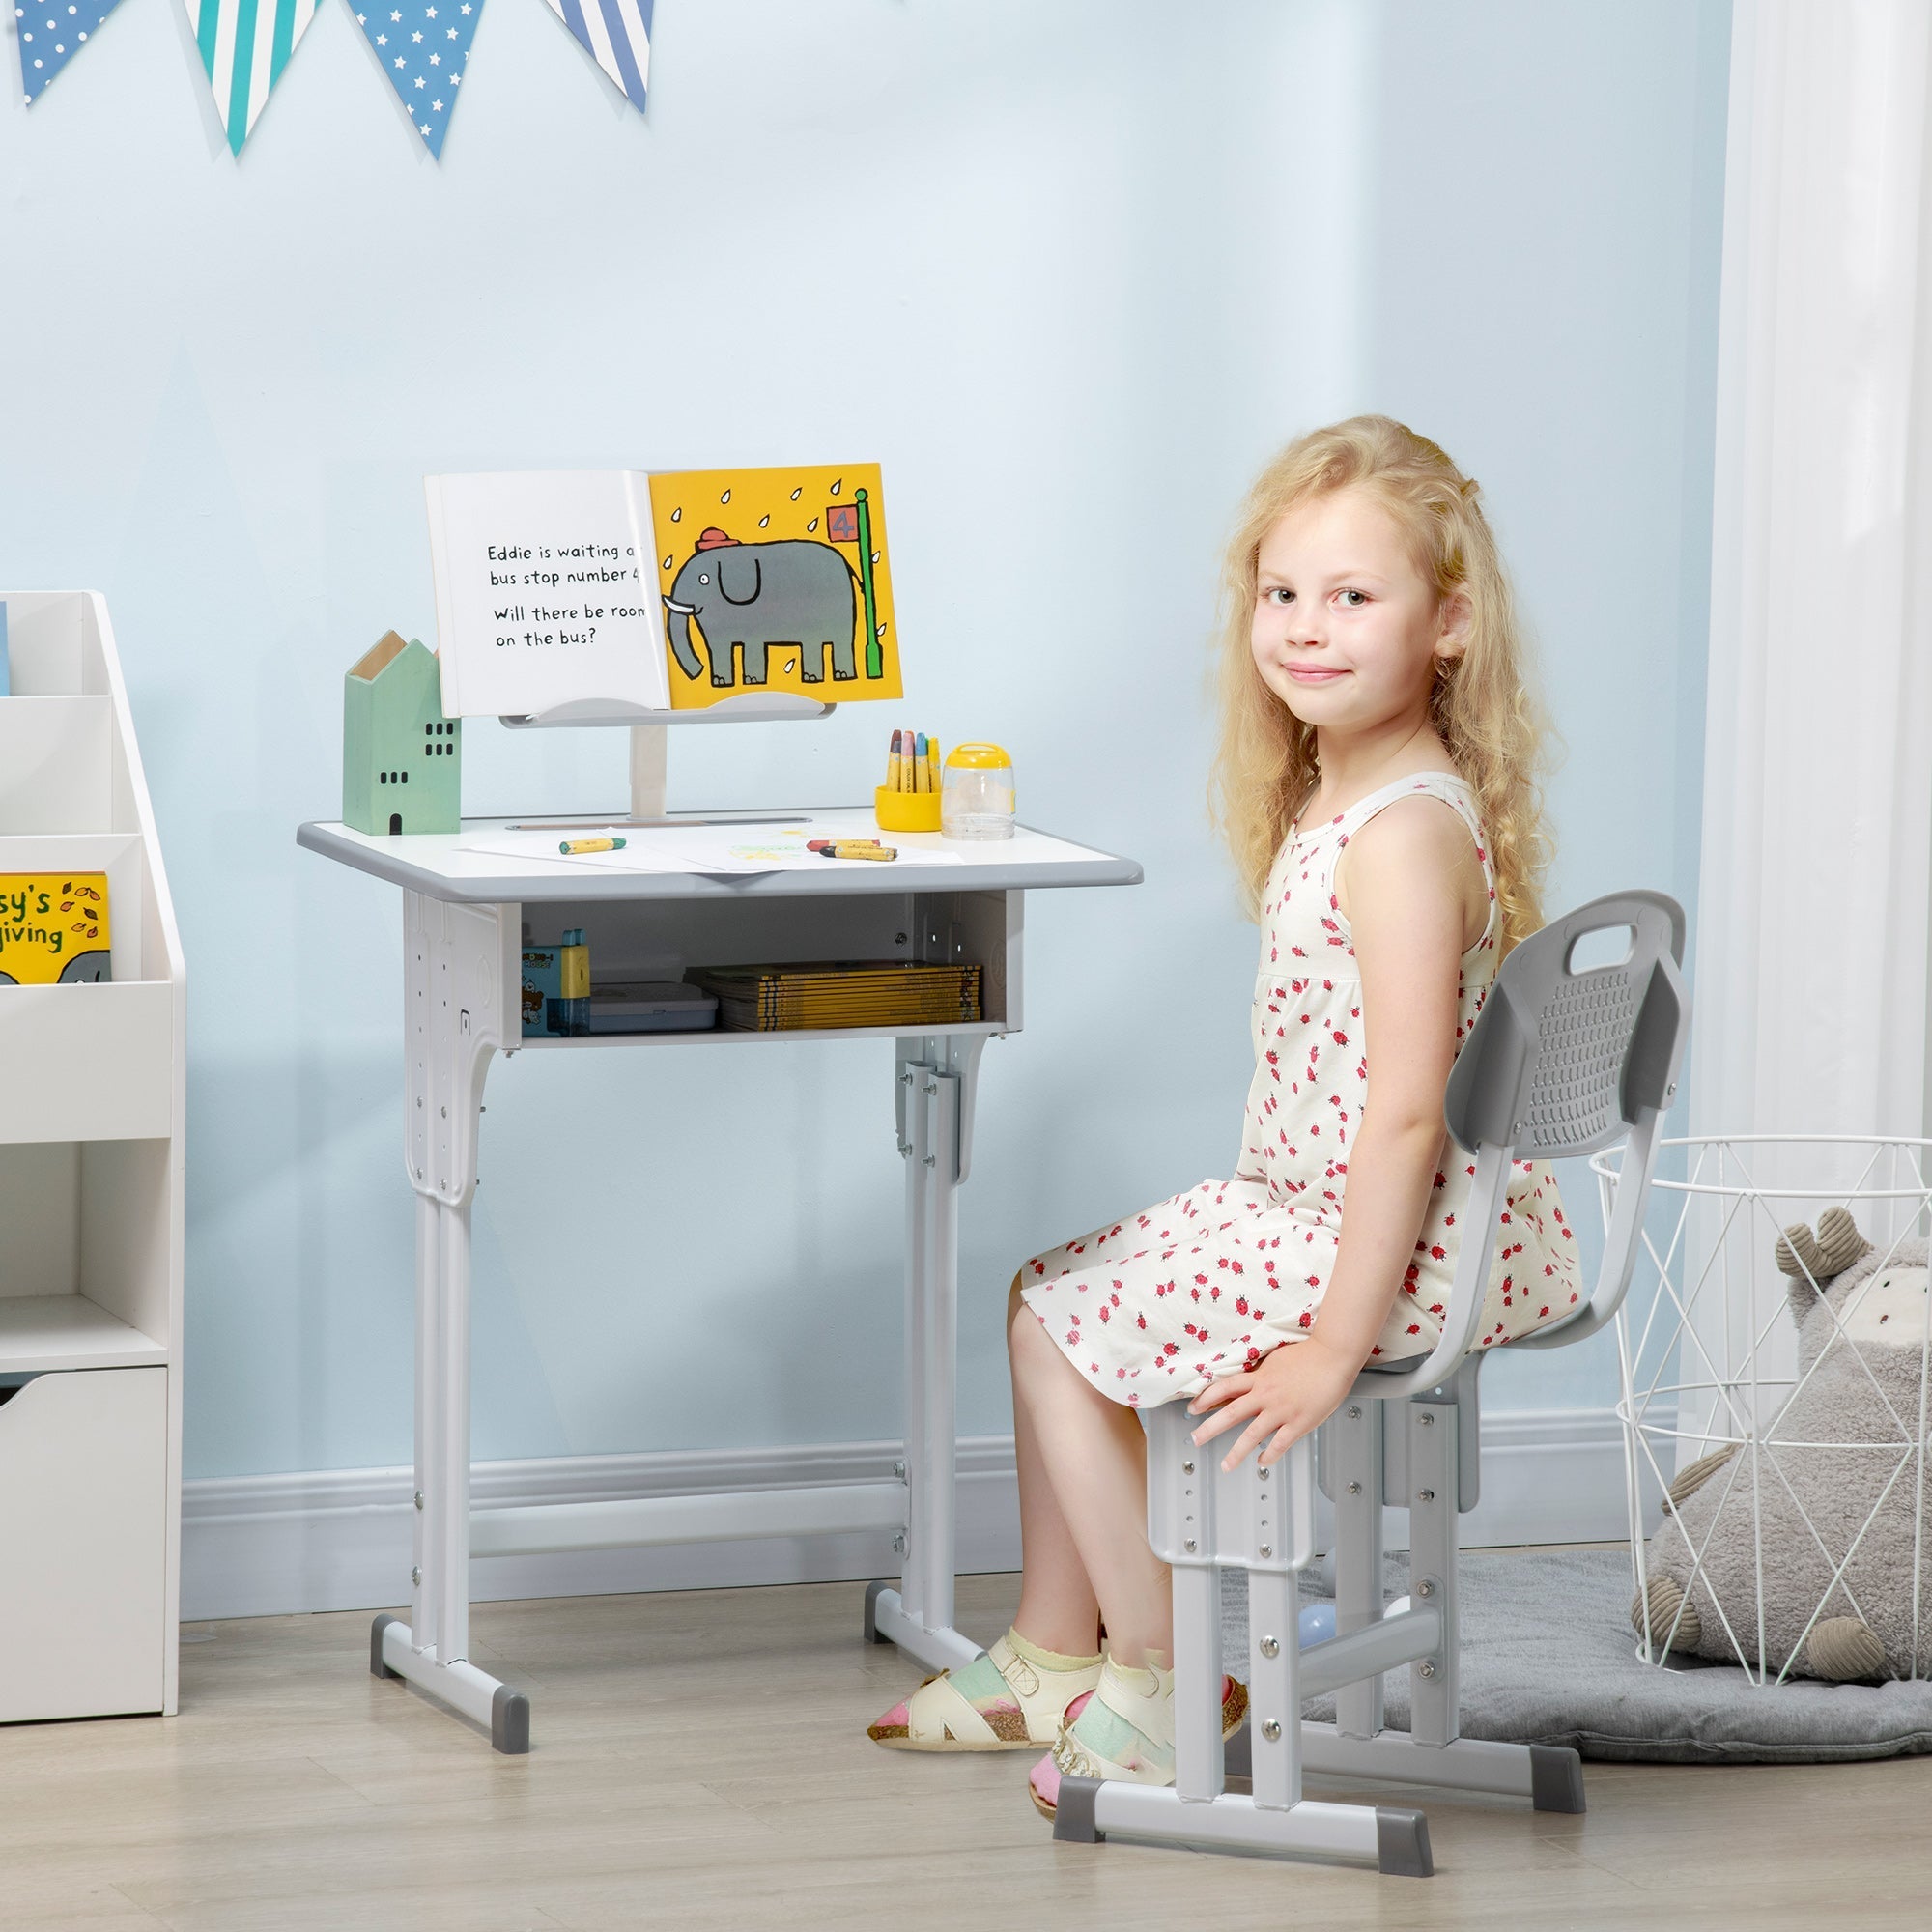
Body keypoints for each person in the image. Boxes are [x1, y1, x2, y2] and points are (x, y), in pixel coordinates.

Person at [867, 415, 1580, 1820]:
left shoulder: (1401, 835)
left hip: (1389, 1242)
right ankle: (1052, 1650)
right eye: (1282, 592)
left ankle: (1167, 1675)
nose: (1307, 627)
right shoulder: (1349, 793)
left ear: (1448, 623)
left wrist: (1332, 1344)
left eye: (1352, 596)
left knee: (1054, 1333)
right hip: (1350, 1213)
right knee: (1041, 1291)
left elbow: (1406, 1115)